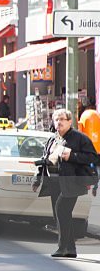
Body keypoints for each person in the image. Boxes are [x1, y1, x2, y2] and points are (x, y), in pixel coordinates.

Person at [38, 108, 98, 258]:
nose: (59, 122)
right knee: (60, 214)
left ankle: (63, 247)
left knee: (61, 210)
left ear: (70, 122)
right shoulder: (53, 138)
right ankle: (69, 249)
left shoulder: (79, 138)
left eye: (62, 119)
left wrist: (72, 156)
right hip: (54, 181)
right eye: (56, 119)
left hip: (72, 181)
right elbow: (46, 157)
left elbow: (92, 158)